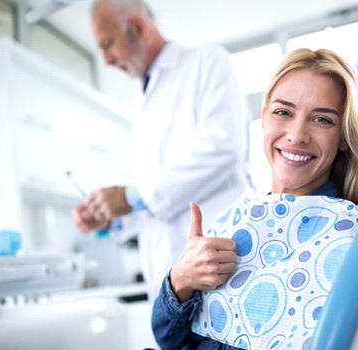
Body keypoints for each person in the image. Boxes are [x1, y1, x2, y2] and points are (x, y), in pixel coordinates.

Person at [151, 48, 358, 349]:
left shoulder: (351, 233)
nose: (297, 135)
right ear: (264, 119)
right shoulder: (237, 218)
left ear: (343, 137)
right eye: (283, 112)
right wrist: (179, 281)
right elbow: (169, 339)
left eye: (322, 119)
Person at [71, 0, 251, 300]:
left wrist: (128, 197)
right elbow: (156, 196)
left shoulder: (206, 62)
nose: (105, 60)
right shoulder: (141, 98)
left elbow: (222, 147)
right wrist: (111, 214)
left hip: (218, 264)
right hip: (169, 278)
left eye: (108, 44)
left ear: (138, 27)